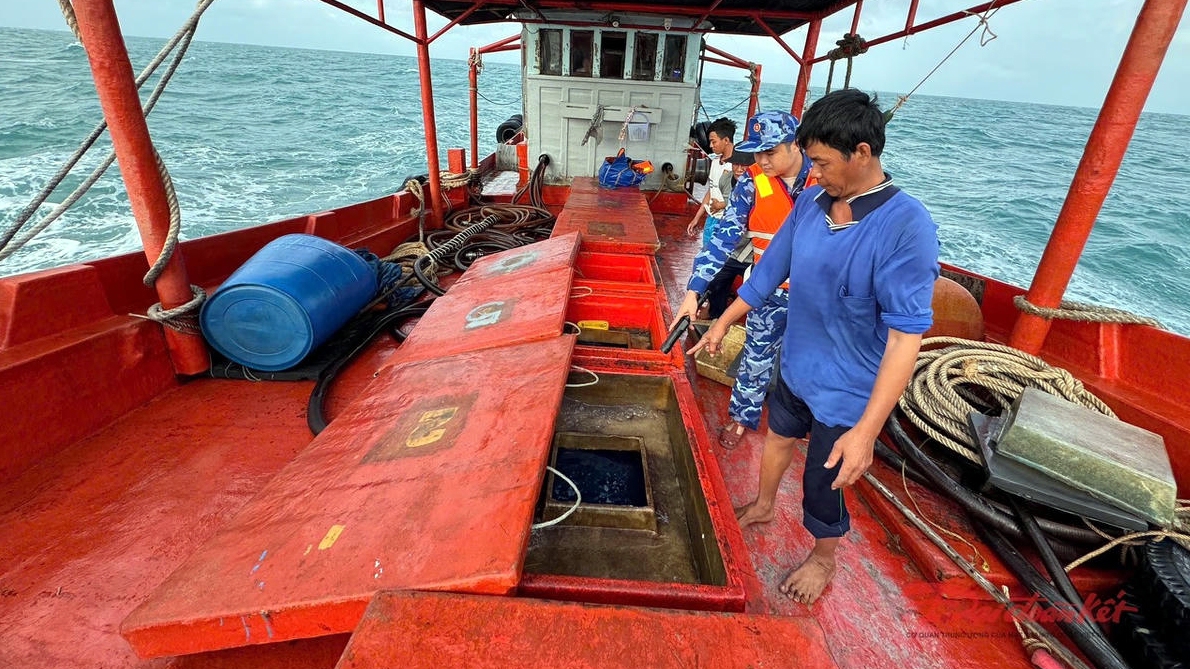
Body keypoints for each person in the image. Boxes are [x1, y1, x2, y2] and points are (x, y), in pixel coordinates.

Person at [689, 89, 939, 605]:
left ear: (863, 153)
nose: (815, 173)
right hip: (798, 366)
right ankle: (761, 504)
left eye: (823, 162)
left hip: (848, 389)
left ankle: (823, 557)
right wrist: (721, 324)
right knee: (777, 437)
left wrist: (867, 432)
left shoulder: (906, 226)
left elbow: (903, 338)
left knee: (822, 483)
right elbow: (767, 275)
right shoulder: (809, 201)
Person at [670, 110, 814, 449]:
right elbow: (724, 236)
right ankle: (741, 418)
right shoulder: (752, 180)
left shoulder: (825, 177)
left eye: (771, 151)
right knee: (756, 357)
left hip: (816, 297)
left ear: (796, 145)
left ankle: (808, 425)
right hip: (769, 291)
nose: (762, 160)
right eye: (757, 152)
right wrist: (694, 291)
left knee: (810, 362)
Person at [686, 118, 738, 248]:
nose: (710, 146)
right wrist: (697, 218)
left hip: (726, 222)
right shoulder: (715, 162)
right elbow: (711, 190)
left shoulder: (738, 167)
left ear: (726, 140)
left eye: (713, 141)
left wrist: (722, 205)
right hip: (711, 219)